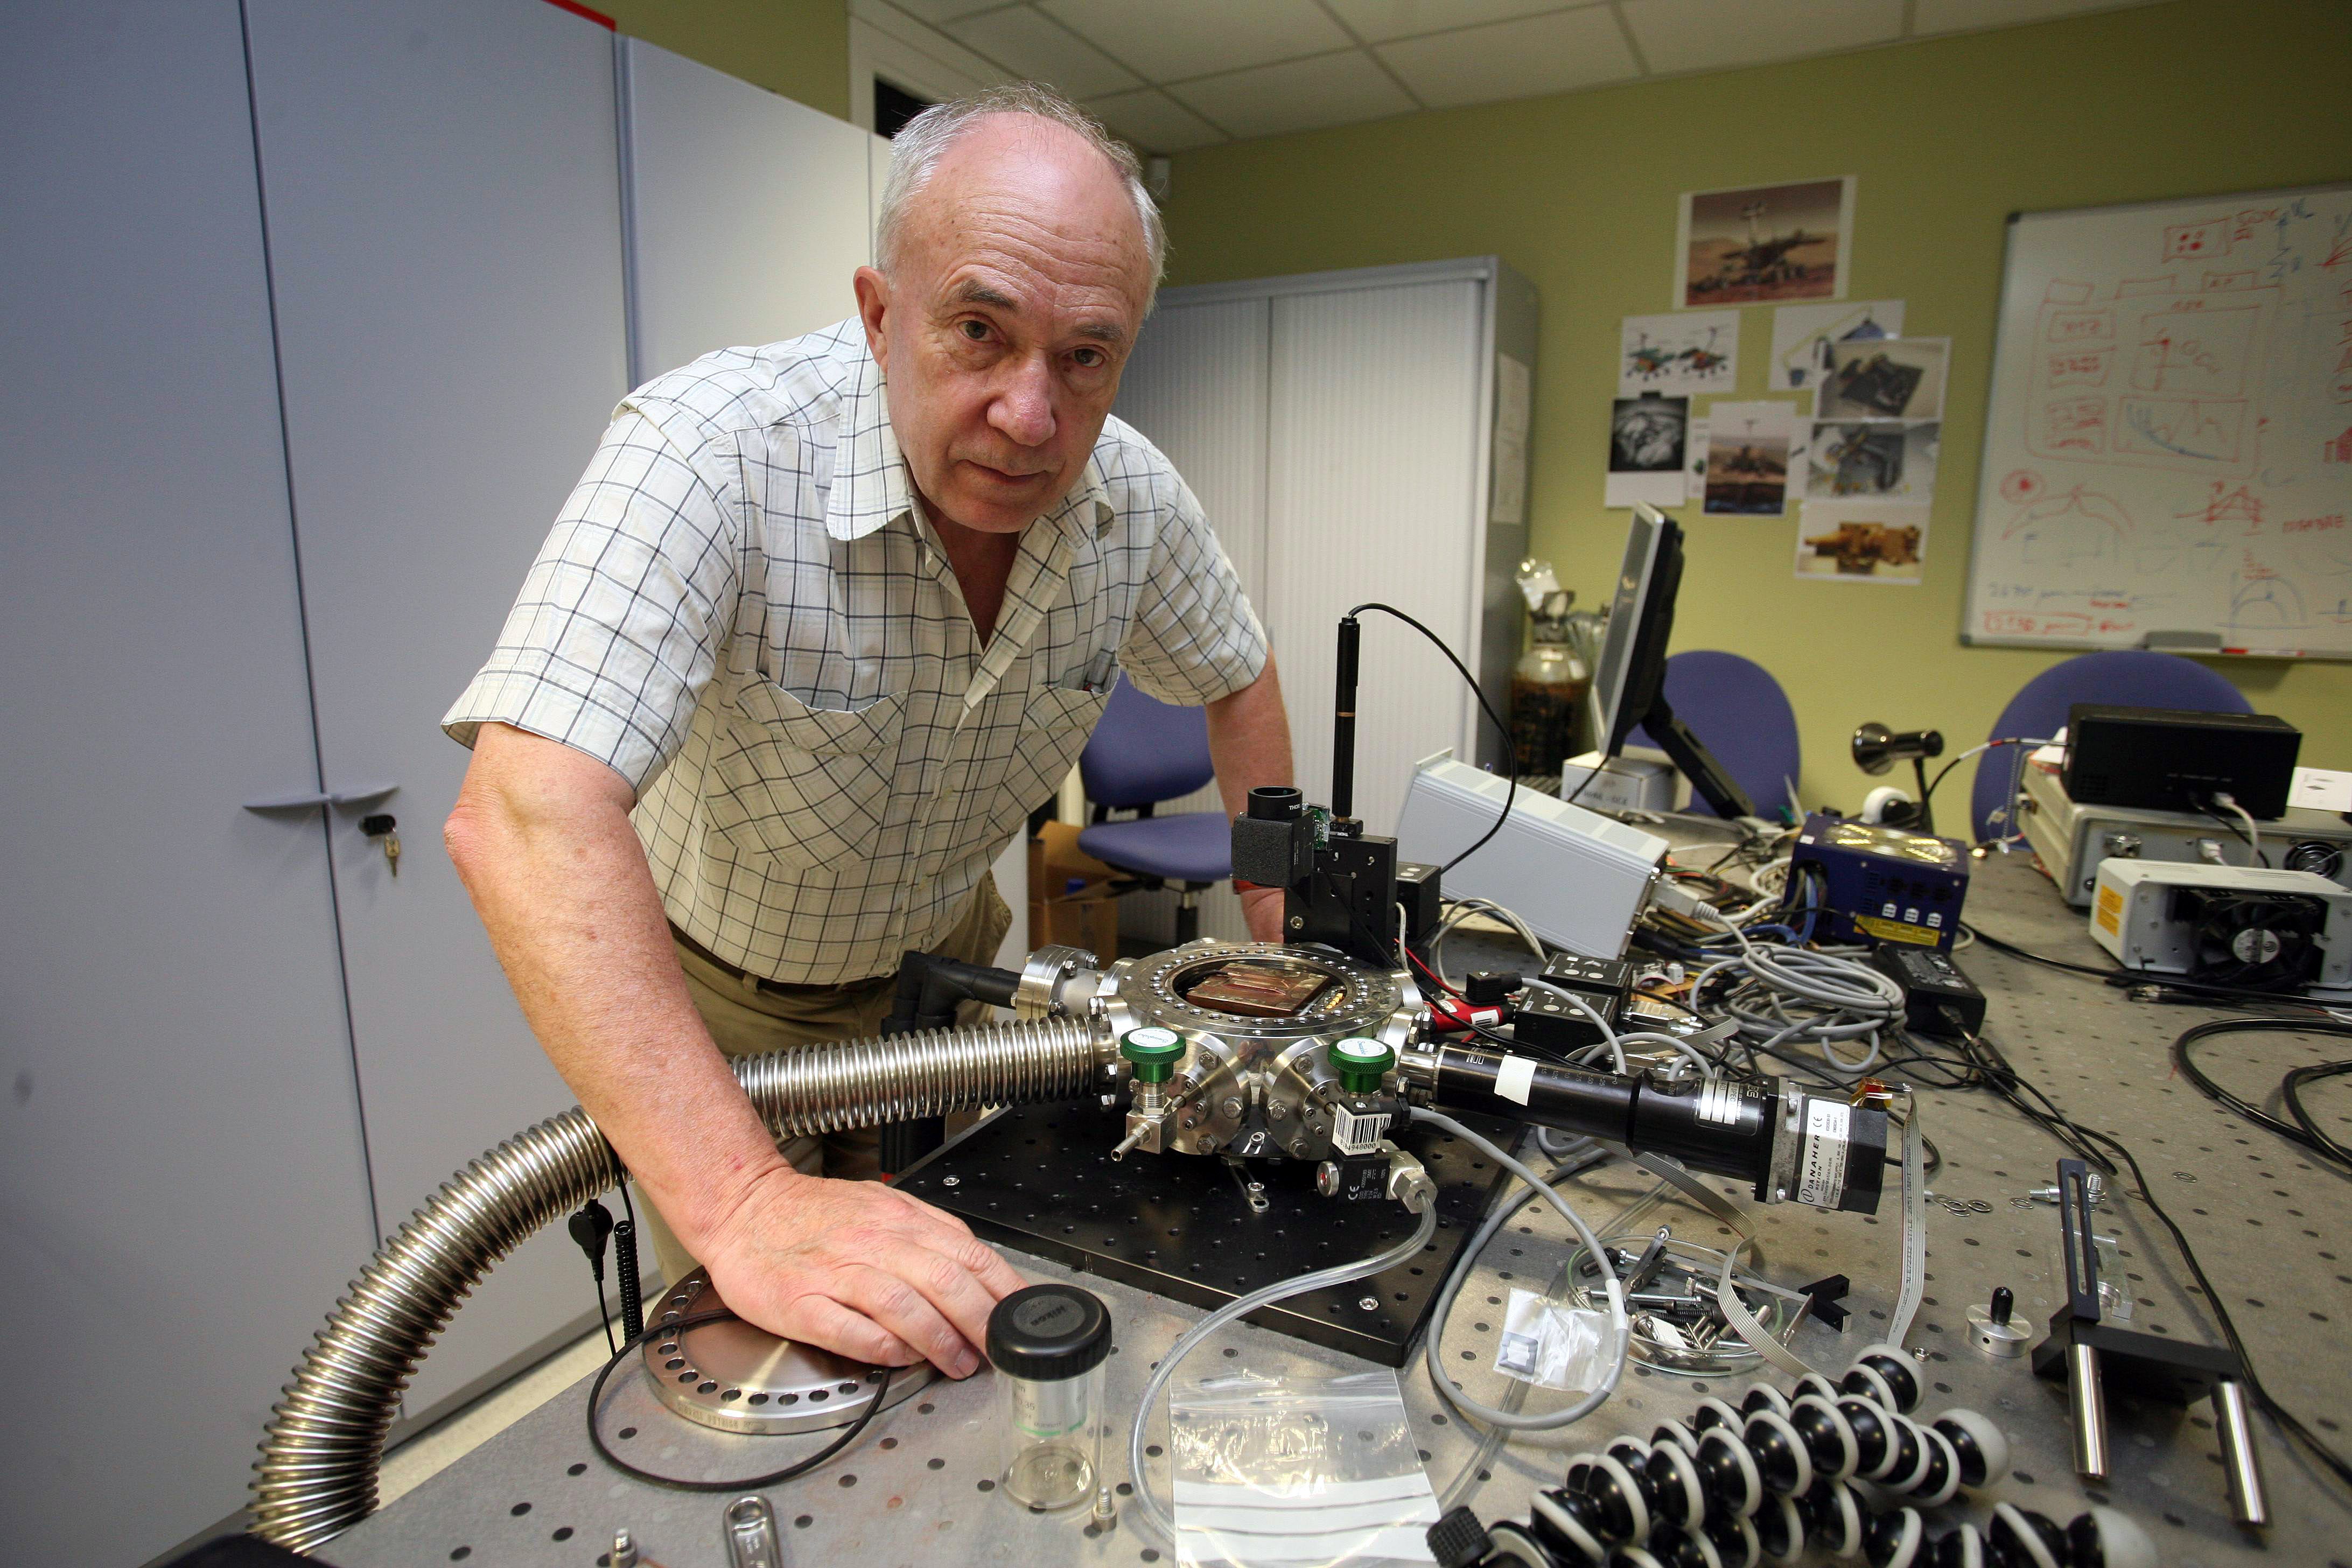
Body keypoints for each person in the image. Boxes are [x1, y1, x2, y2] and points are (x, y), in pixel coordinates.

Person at [439, 83, 1293, 1385]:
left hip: (941, 982)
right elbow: (520, 815)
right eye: (979, 330)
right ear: (883, 313)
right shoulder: (711, 450)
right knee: (790, 1371)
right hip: (729, 1009)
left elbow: (1237, 671)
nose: (1030, 416)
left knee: (953, 1321)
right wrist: (743, 1200)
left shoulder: (1130, 496)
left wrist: (1286, 952)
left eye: (1085, 355)